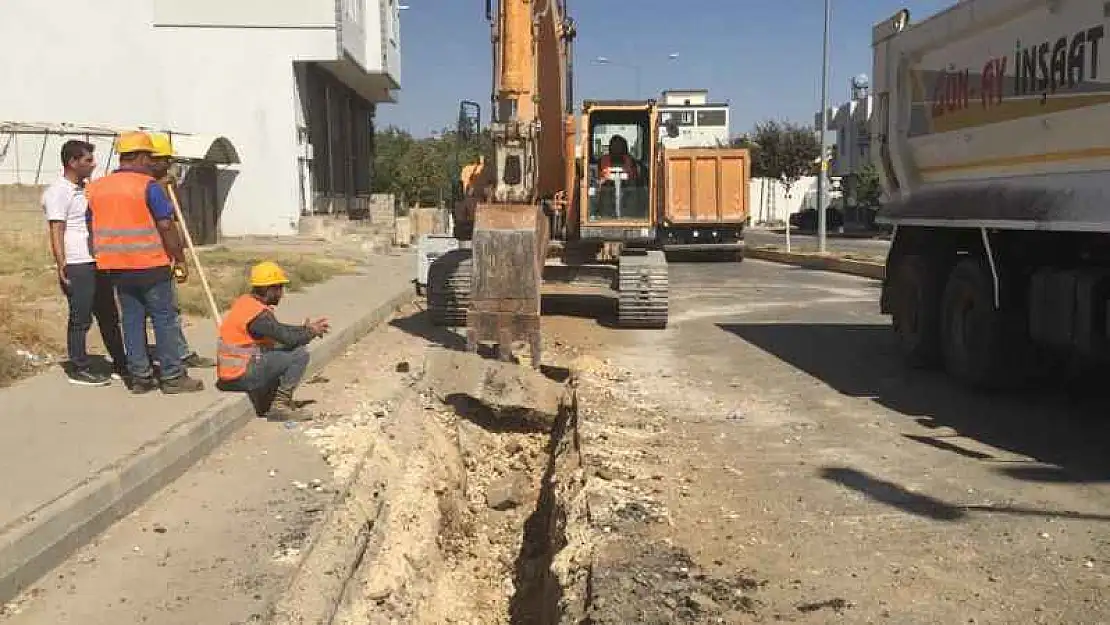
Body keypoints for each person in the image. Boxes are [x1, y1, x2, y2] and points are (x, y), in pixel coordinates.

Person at [85, 131, 204, 394]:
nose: (152, 162)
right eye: (149, 156)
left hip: (115, 268)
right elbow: (166, 226)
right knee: (164, 319)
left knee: (131, 320)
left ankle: (140, 377)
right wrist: (180, 258)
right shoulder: (147, 186)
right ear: (139, 156)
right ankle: (172, 377)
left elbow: (91, 227)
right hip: (150, 264)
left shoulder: (96, 188)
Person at [42, 140, 128, 386]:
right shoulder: (58, 191)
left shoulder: (86, 189)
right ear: (72, 162)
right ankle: (78, 367)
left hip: (97, 259)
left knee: (109, 314)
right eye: (88, 160)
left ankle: (121, 363)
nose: (94, 164)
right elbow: (56, 229)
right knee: (81, 317)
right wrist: (62, 264)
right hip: (77, 262)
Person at [216, 262, 330, 421]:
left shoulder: (247, 303)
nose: (281, 294)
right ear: (269, 289)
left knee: (278, 349)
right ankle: (280, 406)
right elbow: (287, 338)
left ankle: (269, 402)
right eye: (279, 289)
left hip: (232, 373)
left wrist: (304, 329)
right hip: (239, 375)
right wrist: (311, 332)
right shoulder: (258, 316)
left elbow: (279, 330)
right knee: (298, 354)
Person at [147, 132, 215, 369]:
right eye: (166, 159)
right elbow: (161, 224)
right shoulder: (144, 187)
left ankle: (175, 352)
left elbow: (170, 219)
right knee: (162, 311)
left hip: (159, 256)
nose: (169, 165)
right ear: (152, 159)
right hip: (149, 258)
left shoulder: (161, 187)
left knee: (167, 310)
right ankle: (173, 356)